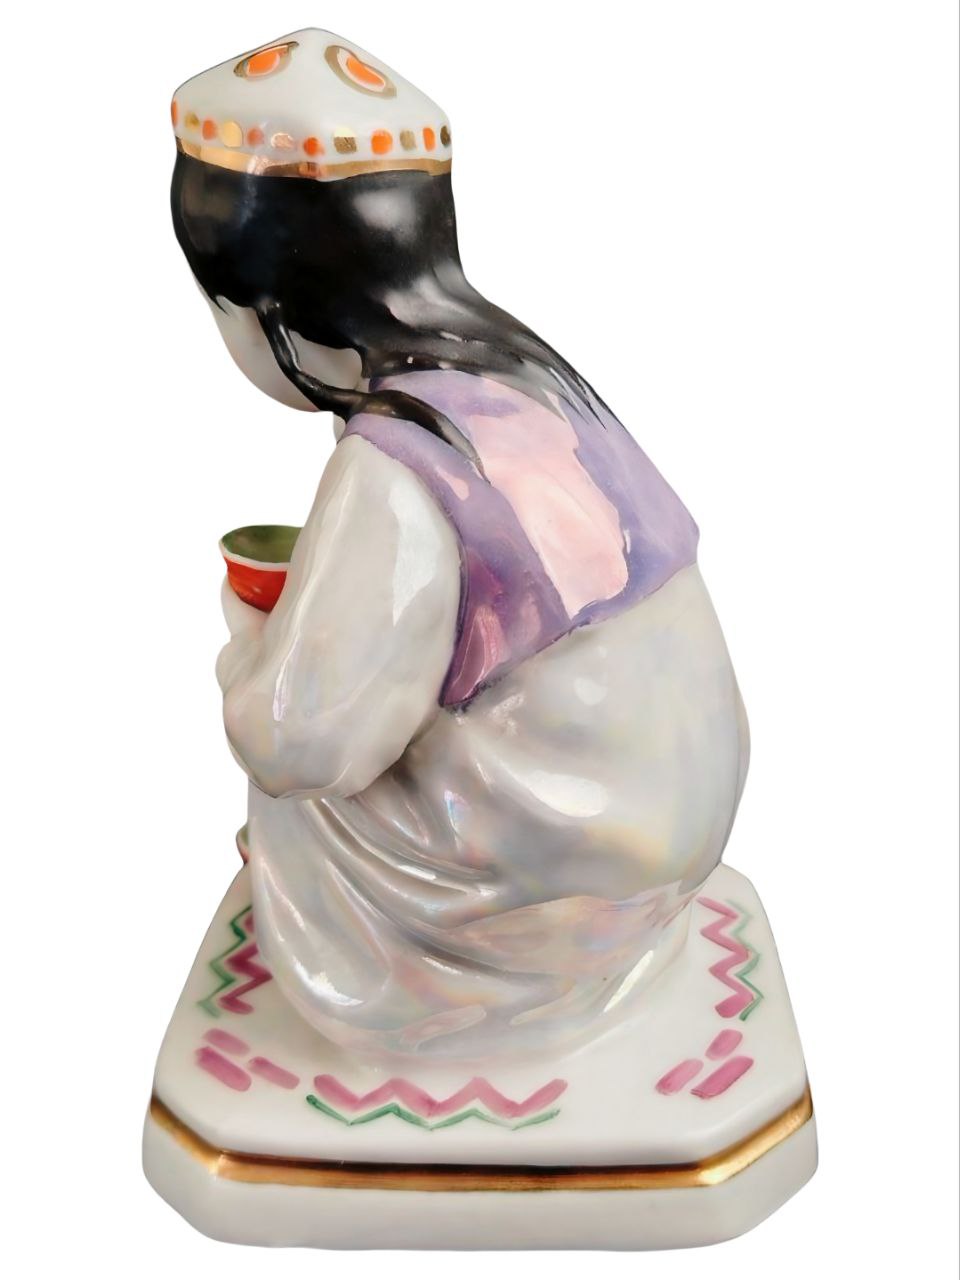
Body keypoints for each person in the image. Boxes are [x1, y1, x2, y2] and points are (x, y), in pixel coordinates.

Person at [173, 29, 750, 1058]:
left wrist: (249, 643)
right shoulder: (529, 378)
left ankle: (439, 995)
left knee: (295, 777)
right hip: (678, 821)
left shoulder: (398, 462)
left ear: (259, 305)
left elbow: (304, 742)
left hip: (572, 888)